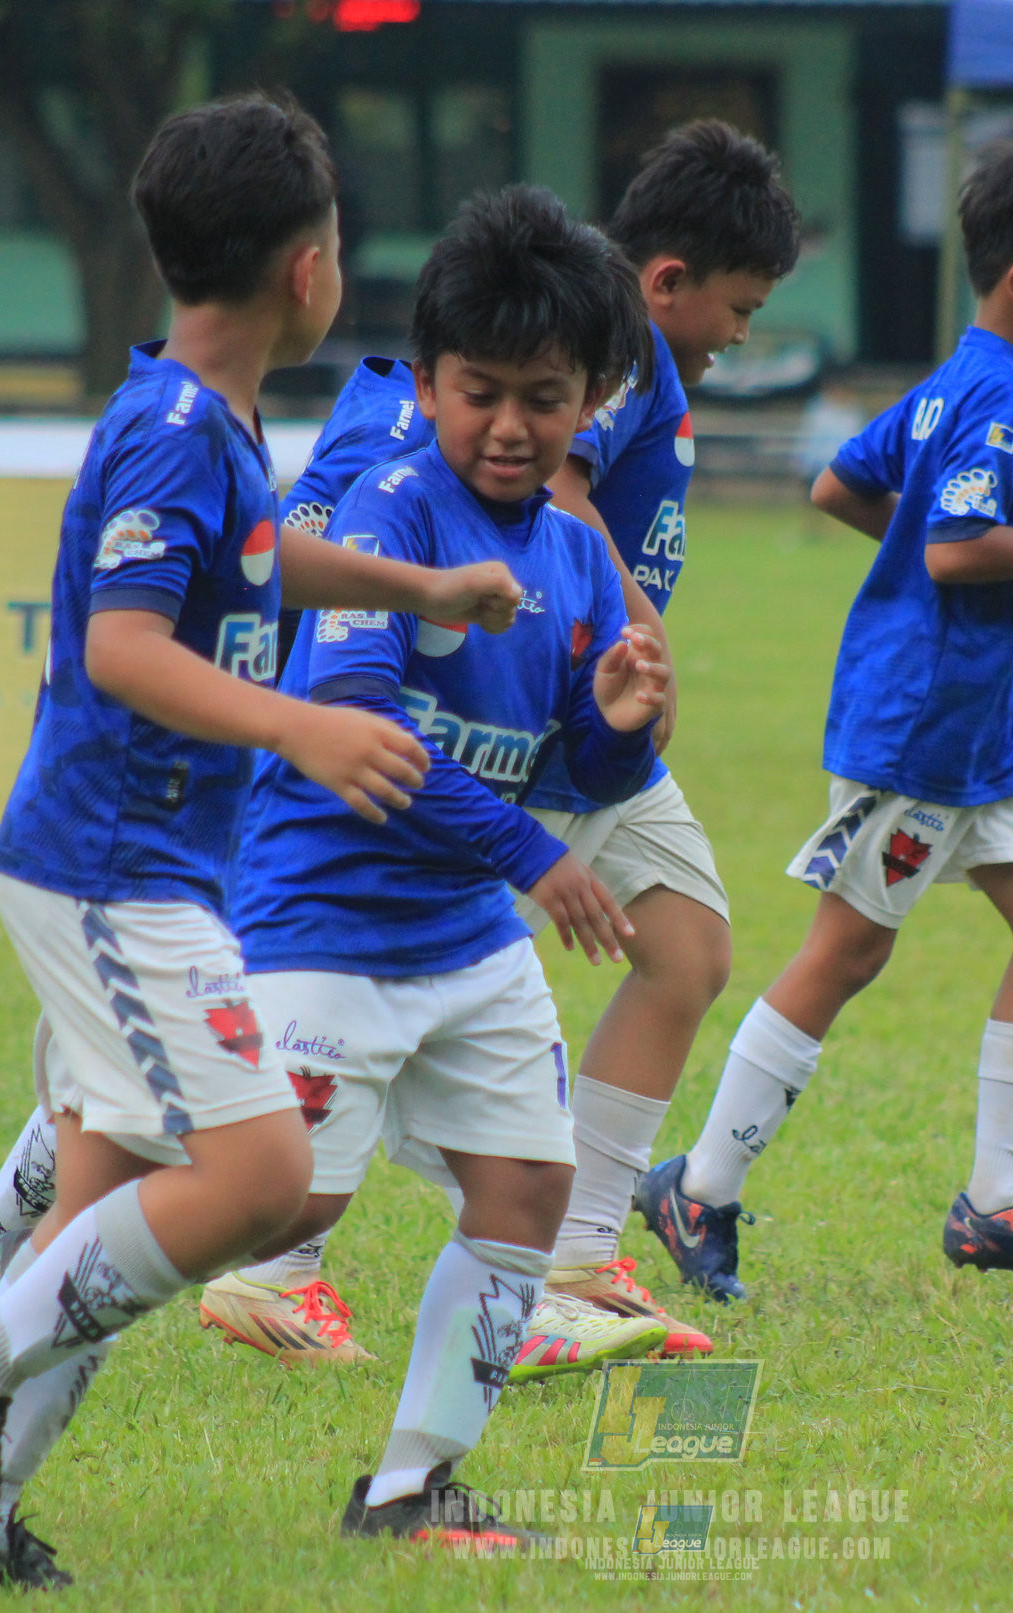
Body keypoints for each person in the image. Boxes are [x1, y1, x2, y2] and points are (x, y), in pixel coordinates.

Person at [0, 93, 524, 1590]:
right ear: (306, 270)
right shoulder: (174, 433)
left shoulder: (207, 413)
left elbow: (254, 559)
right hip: (111, 867)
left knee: (126, 1191)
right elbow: (122, 650)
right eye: (337, 240)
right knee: (255, 1179)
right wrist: (300, 726)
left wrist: (413, 592)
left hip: (152, 869)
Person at [200, 120, 799, 1373]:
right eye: (738, 306)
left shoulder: (589, 356)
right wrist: (625, 640)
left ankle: (549, 1275)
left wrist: (620, 711)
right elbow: (552, 499)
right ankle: (113, 1229)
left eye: (542, 397)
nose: (744, 332)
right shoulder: (581, 373)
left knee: (675, 943)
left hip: (534, 719)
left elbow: (558, 543)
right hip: (444, 732)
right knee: (287, 1145)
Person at [637, 139, 1013, 1302]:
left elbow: (840, 485)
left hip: (987, 733)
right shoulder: (1003, 395)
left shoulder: (956, 379)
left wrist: (926, 574)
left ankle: (996, 1204)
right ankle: (698, 1187)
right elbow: (955, 545)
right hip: (921, 728)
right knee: (846, 951)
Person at [230, 185, 665, 1546]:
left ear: (590, 397)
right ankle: (19, 1247)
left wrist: (609, 723)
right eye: (477, 391)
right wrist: (539, 859)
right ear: (422, 384)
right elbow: (376, 735)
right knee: (274, 1206)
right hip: (323, 916)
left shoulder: (578, 559)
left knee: (525, 1192)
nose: (508, 425)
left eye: (543, 395)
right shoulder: (388, 514)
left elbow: (575, 773)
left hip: (462, 935)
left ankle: (410, 1489)